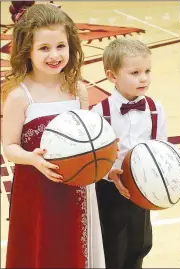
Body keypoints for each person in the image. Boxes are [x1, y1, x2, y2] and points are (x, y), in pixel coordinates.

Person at [2, 4, 105, 268]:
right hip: (36, 190)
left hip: (77, 189)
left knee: (72, 252)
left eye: (61, 46)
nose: (55, 55)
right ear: (28, 51)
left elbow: (92, 142)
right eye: (44, 48)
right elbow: (10, 147)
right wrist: (33, 160)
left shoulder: (78, 90)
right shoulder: (19, 96)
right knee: (40, 251)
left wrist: (106, 164)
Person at [92, 38, 167, 269]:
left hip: (142, 188)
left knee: (140, 243)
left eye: (147, 71)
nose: (143, 78)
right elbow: (93, 158)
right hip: (110, 188)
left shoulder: (155, 109)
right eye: (135, 72)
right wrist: (108, 173)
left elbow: (161, 147)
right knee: (112, 245)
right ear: (112, 76)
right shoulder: (99, 112)